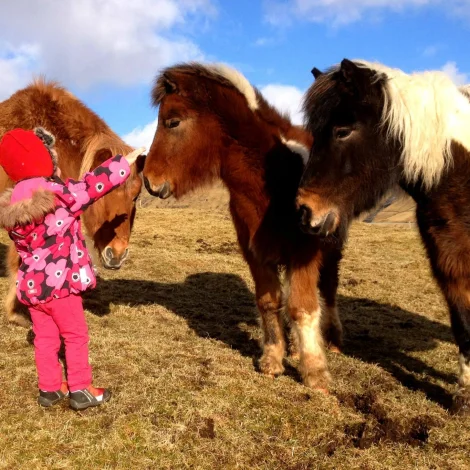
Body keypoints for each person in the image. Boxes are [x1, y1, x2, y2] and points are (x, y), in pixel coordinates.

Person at [0, 127, 145, 410]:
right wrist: (123, 163)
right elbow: (92, 186)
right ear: (41, 160)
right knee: (76, 335)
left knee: (45, 339)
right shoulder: (58, 196)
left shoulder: (13, 208)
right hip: (61, 287)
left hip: (32, 290)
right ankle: (81, 389)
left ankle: (50, 389)